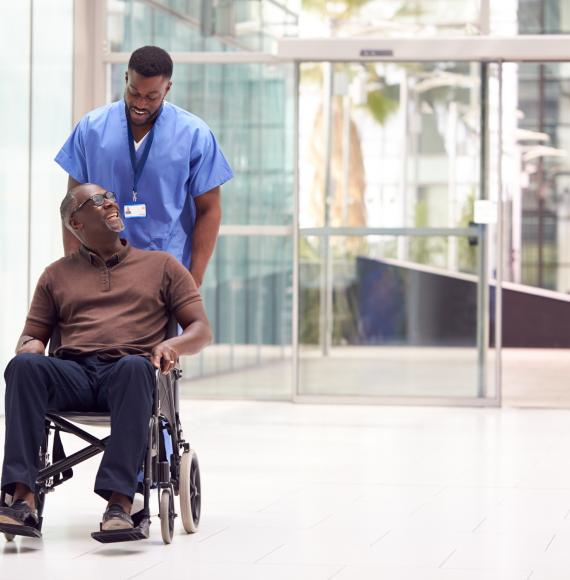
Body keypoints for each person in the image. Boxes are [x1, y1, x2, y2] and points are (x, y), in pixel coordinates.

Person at [0, 183, 212, 535]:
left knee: (134, 366)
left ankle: (121, 504)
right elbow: (32, 334)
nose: (110, 202)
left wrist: (171, 346)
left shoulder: (162, 266)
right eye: (97, 201)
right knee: (22, 366)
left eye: (110, 196)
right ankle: (21, 499)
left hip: (130, 374)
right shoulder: (56, 275)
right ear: (76, 222)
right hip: (74, 373)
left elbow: (201, 329)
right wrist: (31, 345)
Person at [55, 45, 233, 286]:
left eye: (151, 97)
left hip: (166, 277)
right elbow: (72, 206)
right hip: (100, 276)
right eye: (133, 92)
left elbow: (209, 209)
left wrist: (194, 280)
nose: (140, 103)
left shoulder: (194, 135)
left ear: (167, 88)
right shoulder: (91, 129)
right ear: (126, 78)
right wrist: (75, 274)